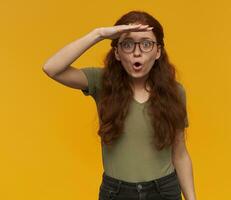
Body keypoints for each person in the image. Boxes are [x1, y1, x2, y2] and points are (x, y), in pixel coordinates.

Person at [43, 10, 196, 200]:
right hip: (116, 192)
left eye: (146, 44)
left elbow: (180, 153)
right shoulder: (101, 82)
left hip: (164, 191)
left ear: (158, 52)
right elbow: (52, 68)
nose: (137, 52)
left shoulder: (175, 92)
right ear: (116, 52)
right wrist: (98, 34)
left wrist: (191, 198)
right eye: (128, 44)